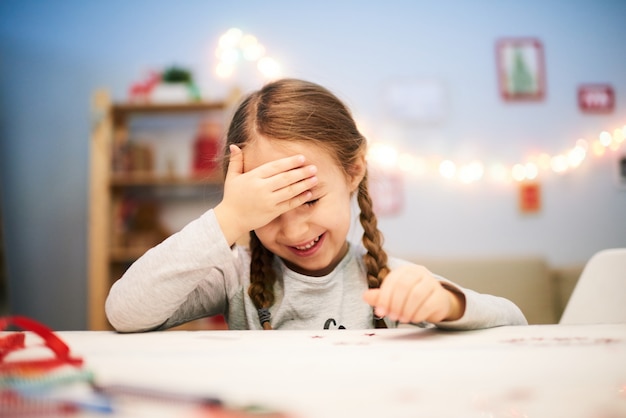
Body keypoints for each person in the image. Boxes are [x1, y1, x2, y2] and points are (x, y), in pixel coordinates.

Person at [105, 78, 527, 332]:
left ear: (353, 170)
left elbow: (514, 324)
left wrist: (448, 305)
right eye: (267, 210)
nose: (294, 231)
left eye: (308, 199)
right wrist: (229, 218)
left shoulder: (384, 282)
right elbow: (124, 312)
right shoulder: (234, 277)